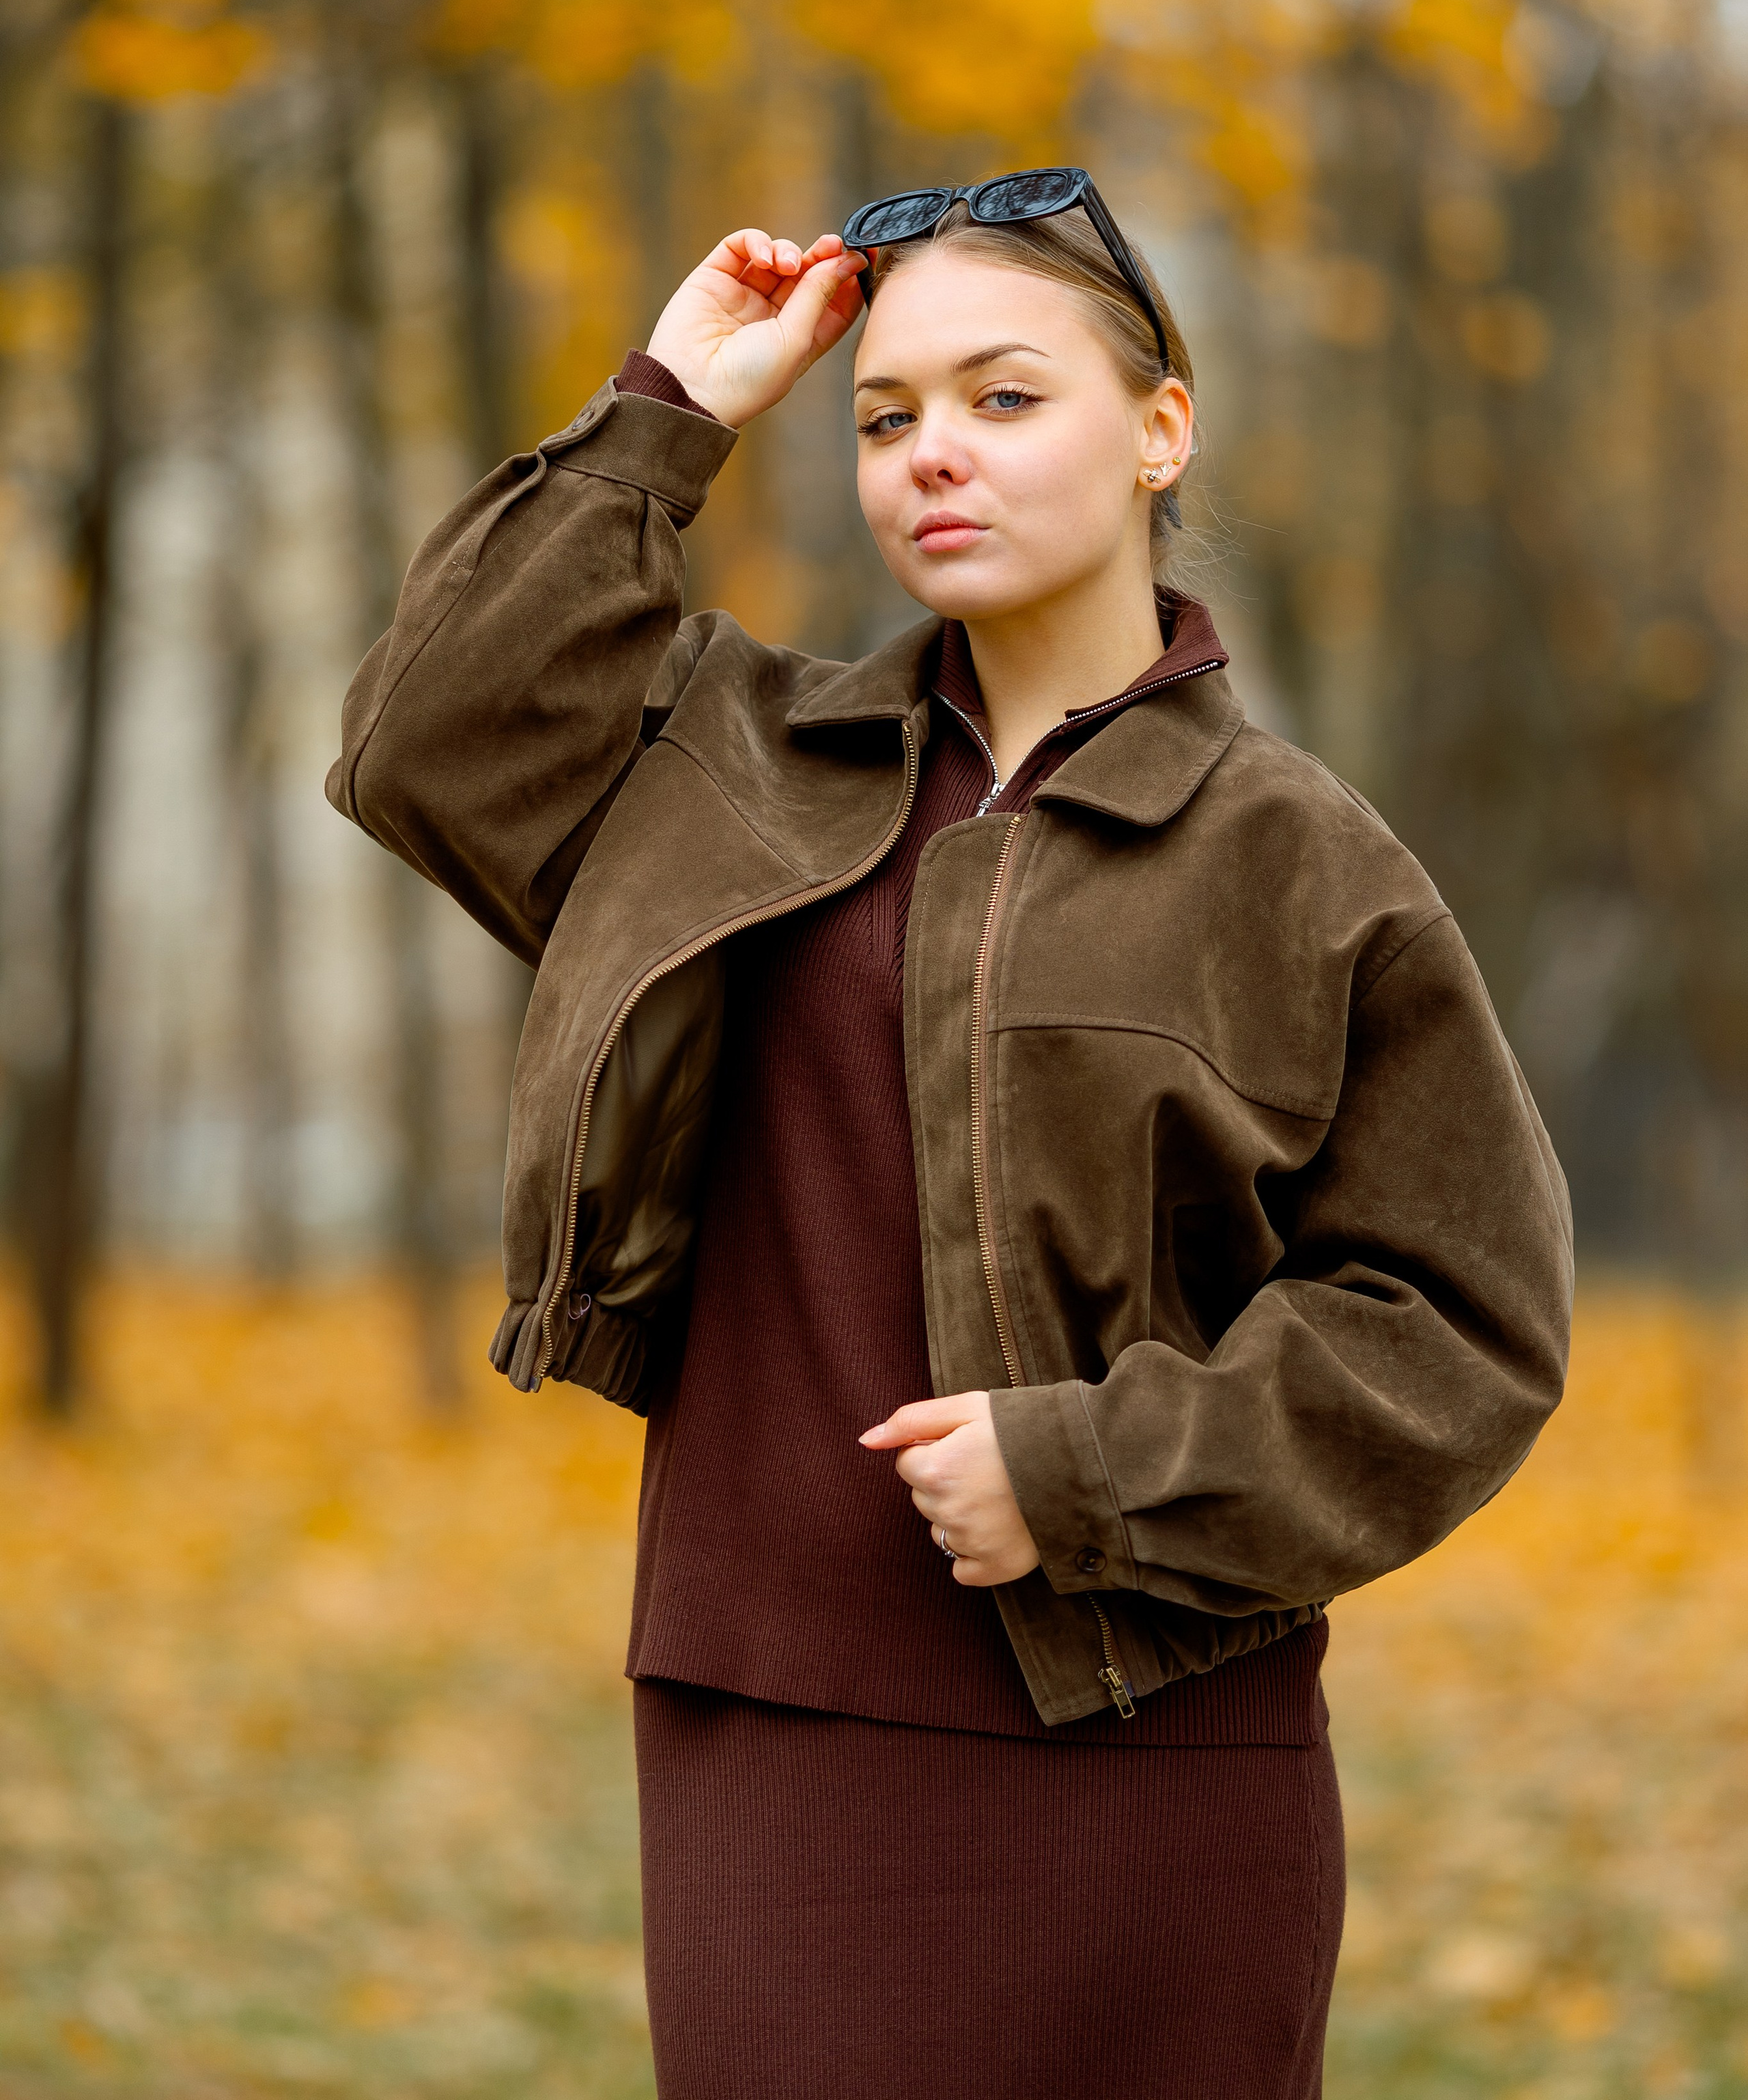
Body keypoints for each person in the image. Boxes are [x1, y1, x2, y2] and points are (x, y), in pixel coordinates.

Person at [329, 171, 1573, 2100]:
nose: (934, 458)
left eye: (1005, 398)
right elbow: (425, 736)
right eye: (886, 417)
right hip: (775, 1721)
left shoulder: (1307, 868)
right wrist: (676, 403)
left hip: (1157, 1738)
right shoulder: (721, 767)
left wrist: (1092, 1468)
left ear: (1161, 429)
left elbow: (1461, 1323)